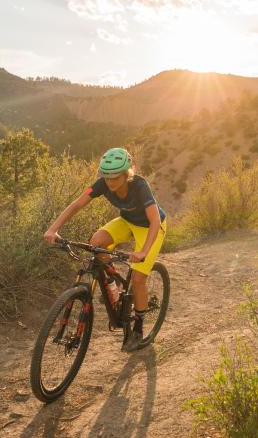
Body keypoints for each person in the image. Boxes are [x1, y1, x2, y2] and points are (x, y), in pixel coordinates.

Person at [43, 147, 167, 350]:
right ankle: (113, 288)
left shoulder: (140, 185)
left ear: (127, 174)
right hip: (127, 221)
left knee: (137, 278)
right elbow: (76, 205)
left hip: (150, 227)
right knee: (96, 243)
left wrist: (143, 251)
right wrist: (53, 229)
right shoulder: (102, 184)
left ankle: (138, 328)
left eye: (115, 178)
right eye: (106, 177)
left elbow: (154, 220)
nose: (110, 182)